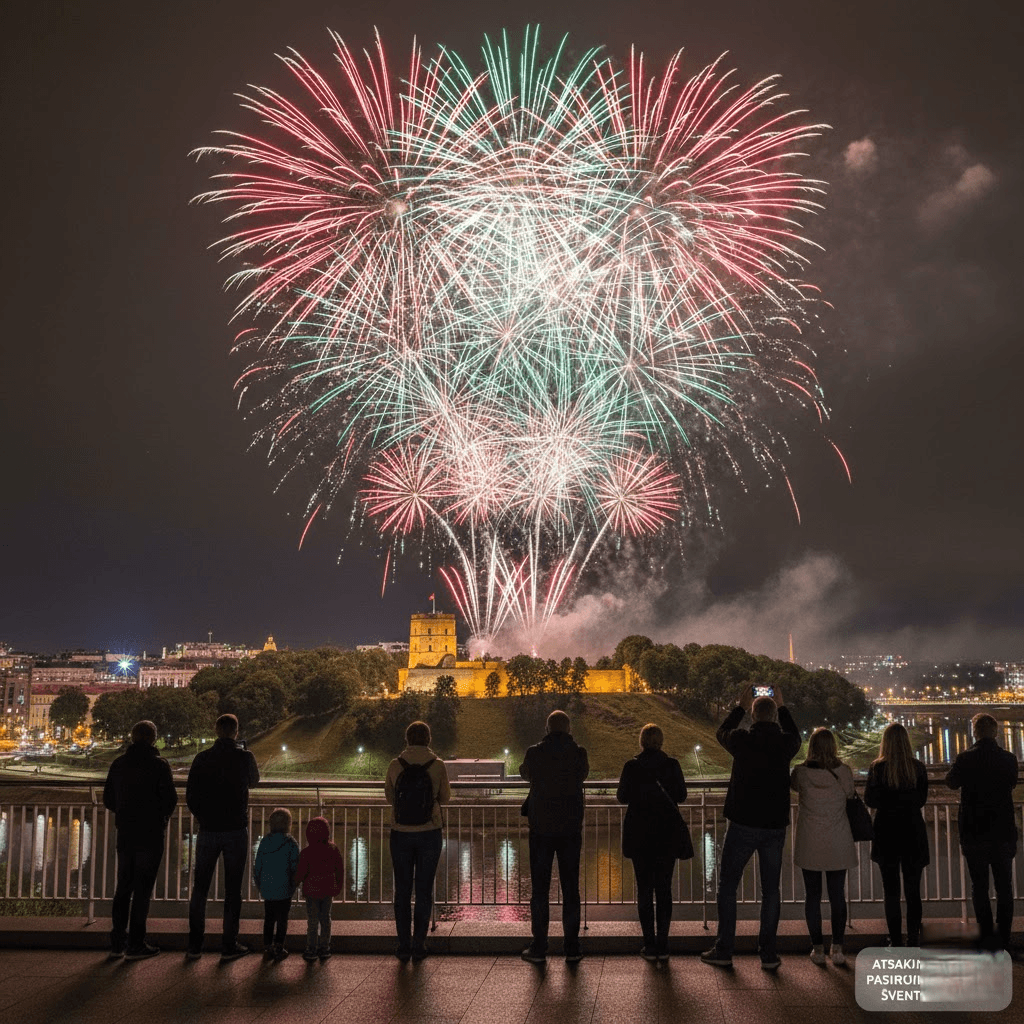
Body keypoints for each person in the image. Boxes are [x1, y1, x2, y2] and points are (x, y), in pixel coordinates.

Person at [701, 684, 801, 971]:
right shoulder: (784, 743)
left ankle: (725, 949)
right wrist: (782, 706)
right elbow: (797, 736)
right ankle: (768, 954)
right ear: (774, 717)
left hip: (743, 823)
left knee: (728, 887)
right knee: (771, 890)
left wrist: (739, 707)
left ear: (753, 717)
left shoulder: (742, 740)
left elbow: (721, 732)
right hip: (774, 826)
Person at [185, 713, 260, 961]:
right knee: (233, 890)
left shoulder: (203, 757)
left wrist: (203, 817)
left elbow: (191, 796)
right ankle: (228, 944)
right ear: (236, 732)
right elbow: (255, 782)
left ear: (216, 731)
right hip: (235, 829)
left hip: (208, 829)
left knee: (200, 888)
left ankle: (195, 944)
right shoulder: (244, 757)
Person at [519, 709, 590, 964]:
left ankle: (539, 947)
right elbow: (583, 775)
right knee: (571, 888)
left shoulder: (535, 752)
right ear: (569, 729)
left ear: (547, 729)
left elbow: (525, 773)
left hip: (541, 829)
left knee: (540, 889)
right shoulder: (579, 753)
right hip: (571, 829)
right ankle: (572, 947)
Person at [103, 719, 177, 960]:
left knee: (123, 888)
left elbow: (108, 799)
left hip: (126, 832)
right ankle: (136, 943)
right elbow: (170, 800)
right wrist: (160, 816)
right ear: (153, 738)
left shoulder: (119, 764)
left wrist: (124, 813)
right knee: (143, 891)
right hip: (151, 832)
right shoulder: (160, 765)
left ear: (133, 737)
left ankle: (117, 943)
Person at [945, 713, 1019, 952]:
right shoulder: (1008, 759)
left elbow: (951, 782)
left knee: (979, 887)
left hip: (974, 831)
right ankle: (1004, 939)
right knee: (1004, 887)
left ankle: (986, 937)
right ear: (995, 732)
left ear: (974, 732)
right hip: (1003, 830)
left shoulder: (965, 758)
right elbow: (1011, 783)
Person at [616, 723, 688, 961]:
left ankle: (649, 945)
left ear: (641, 741)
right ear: (661, 741)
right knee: (664, 889)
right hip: (667, 836)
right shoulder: (672, 765)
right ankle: (663, 944)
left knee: (645, 890)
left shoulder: (632, 766)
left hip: (640, 836)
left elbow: (622, 797)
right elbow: (681, 796)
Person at [384, 720, 451, 962]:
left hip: (400, 832)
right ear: (429, 739)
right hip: (429, 832)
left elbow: (390, 798)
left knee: (402, 889)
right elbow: (445, 798)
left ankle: (403, 945)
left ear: (407, 738)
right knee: (424, 888)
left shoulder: (395, 764)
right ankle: (419, 943)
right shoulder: (438, 765)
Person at [790, 727, 858, 967]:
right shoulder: (845, 773)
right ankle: (837, 947)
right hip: (838, 841)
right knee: (838, 895)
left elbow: (794, 787)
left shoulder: (800, 773)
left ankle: (817, 948)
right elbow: (850, 794)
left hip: (810, 841)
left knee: (813, 896)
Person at [864, 722, 929, 947]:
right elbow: (921, 799)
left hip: (886, 832)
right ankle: (913, 938)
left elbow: (870, 800)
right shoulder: (918, 767)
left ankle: (895, 939)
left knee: (890, 891)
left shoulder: (877, 767)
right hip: (913, 831)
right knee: (913, 892)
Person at [294, 815, 344, 961]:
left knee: (312, 920)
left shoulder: (306, 853)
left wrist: (294, 883)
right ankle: (325, 947)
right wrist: (338, 886)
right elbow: (339, 870)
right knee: (326, 919)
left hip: (311, 892)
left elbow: (301, 872)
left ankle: (311, 948)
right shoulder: (333, 849)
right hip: (328, 890)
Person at [253, 807, 300, 961]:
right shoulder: (291, 843)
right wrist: (294, 884)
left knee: (269, 918)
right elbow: (295, 866)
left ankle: (267, 946)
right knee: (282, 919)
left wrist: (259, 883)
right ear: (289, 824)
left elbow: (258, 865)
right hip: (285, 889)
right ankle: (279, 946)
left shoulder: (265, 842)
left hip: (267, 889)